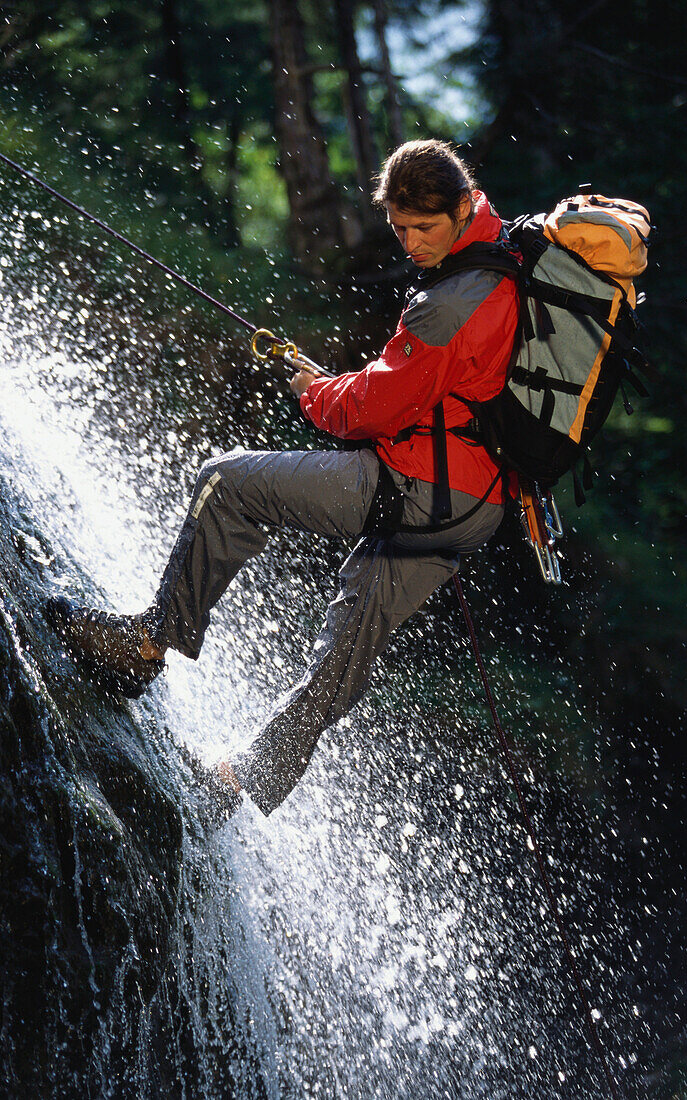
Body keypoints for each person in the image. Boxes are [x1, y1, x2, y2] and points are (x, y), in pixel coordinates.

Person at [47, 139, 519, 826]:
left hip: (416, 486)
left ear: (462, 205)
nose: (413, 242)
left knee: (227, 482)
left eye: (426, 227)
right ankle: (242, 778)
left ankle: (148, 645)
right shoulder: (503, 254)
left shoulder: (448, 304)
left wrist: (315, 392)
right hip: (480, 507)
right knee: (351, 640)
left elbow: (370, 409)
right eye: (401, 228)